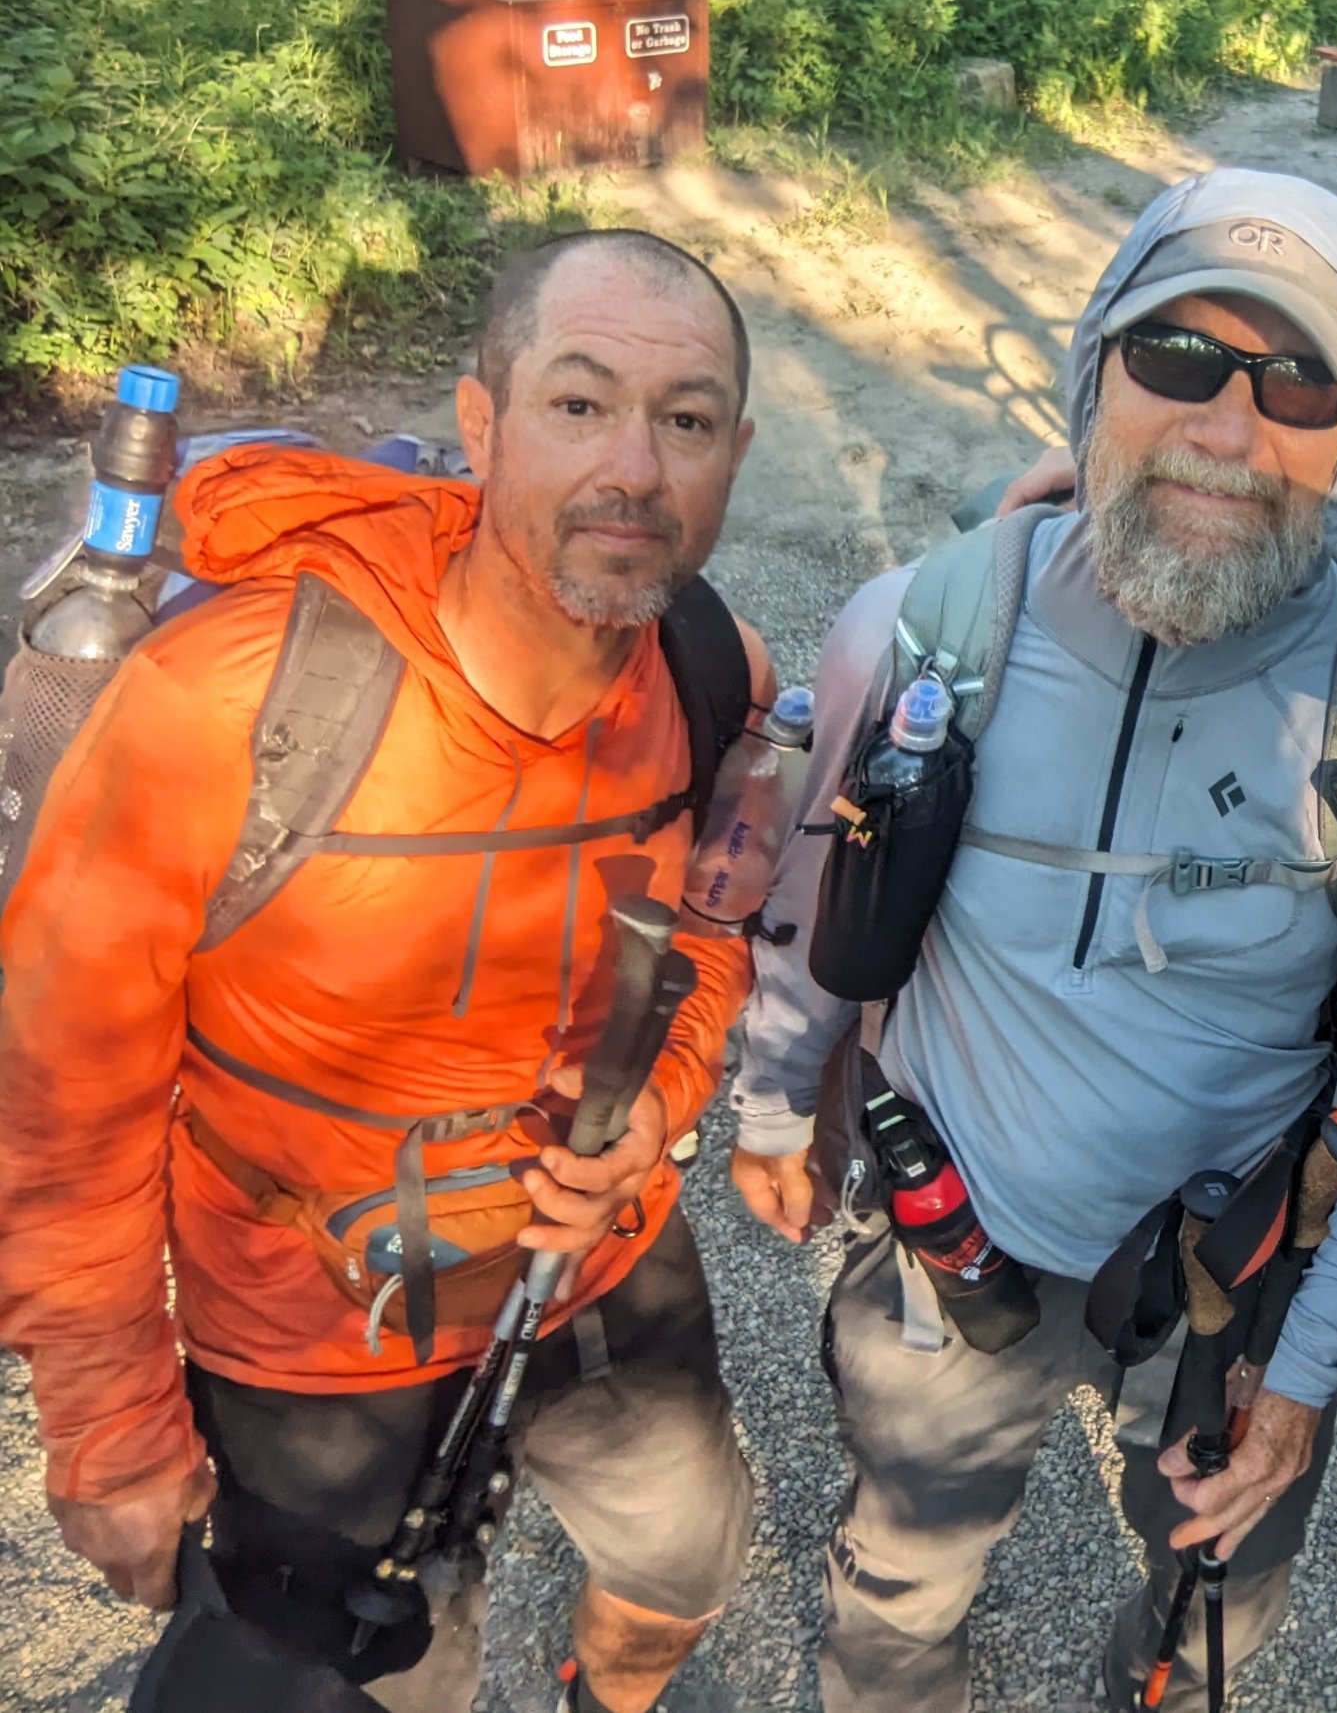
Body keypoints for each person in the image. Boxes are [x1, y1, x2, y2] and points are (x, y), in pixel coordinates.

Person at [730, 167, 1337, 1713]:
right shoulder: (924, 622)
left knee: (1211, 1615)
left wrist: (1316, 1357)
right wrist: (771, 1100)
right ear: (1095, 375)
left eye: (1296, 384)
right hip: (958, 1234)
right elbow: (822, 893)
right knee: (899, 1581)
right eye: (1179, 359)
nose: (1227, 428)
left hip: (1239, 1275)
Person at [0, 229, 769, 1713]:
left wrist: (659, 1109)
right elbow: (59, 1094)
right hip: (309, 1325)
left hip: (601, 1262)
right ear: (481, 423)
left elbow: (720, 929)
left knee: (683, 1557)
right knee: (383, 1675)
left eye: (684, 421)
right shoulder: (233, 698)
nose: (635, 469)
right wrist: (108, 1427)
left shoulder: (707, 664)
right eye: (578, 403)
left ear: (734, 452)